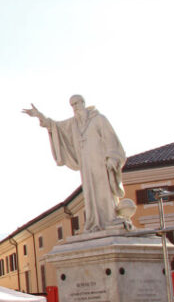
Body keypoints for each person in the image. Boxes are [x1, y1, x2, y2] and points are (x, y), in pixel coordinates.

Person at [23, 95, 128, 233]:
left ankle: (109, 219)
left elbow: (111, 139)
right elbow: (55, 126)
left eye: (77, 103)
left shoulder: (99, 119)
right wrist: (39, 115)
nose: (75, 107)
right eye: (72, 105)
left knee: (104, 190)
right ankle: (95, 222)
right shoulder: (74, 124)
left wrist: (112, 158)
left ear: (84, 103)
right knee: (90, 193)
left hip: (101, 162)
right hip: (86, 165)